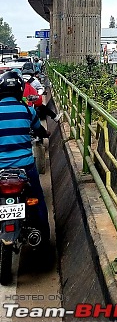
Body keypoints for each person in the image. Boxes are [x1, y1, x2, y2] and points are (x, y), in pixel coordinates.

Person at [0, 70, 50, 242]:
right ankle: (43, 235)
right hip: (25, 167)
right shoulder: (28, 111)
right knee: (37, 199)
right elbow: (39, 130)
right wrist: (45, 134)